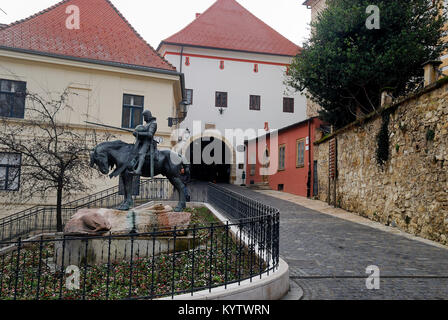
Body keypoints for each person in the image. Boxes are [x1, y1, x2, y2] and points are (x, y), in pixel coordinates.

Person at [132, 110, 157, 176]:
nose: (144, 118)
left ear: (148, 116)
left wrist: (138, 133)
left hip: (148, 142)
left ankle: (138, 170)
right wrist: (136, 133)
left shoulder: (153, 123)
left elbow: (150, 134)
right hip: (141, 141)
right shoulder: (147, 124)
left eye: (144, 116)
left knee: (141, 153)